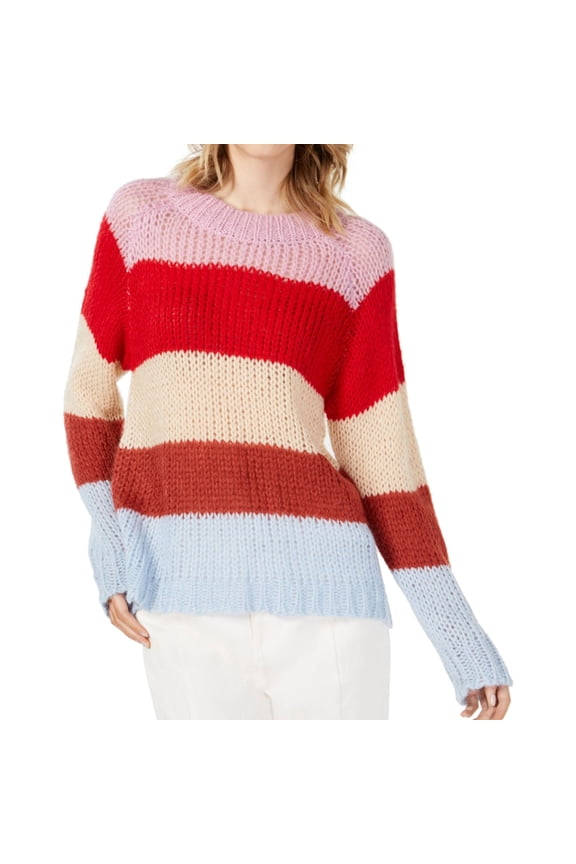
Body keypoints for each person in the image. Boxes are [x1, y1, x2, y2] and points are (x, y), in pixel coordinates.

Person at [63, 144, 513, 720]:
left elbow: (385, 462)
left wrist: (457, 633)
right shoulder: (141, 217)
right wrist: (111, 543)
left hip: (330, 600)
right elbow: (87, 398)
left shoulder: (355, 253)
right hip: (179, 591)